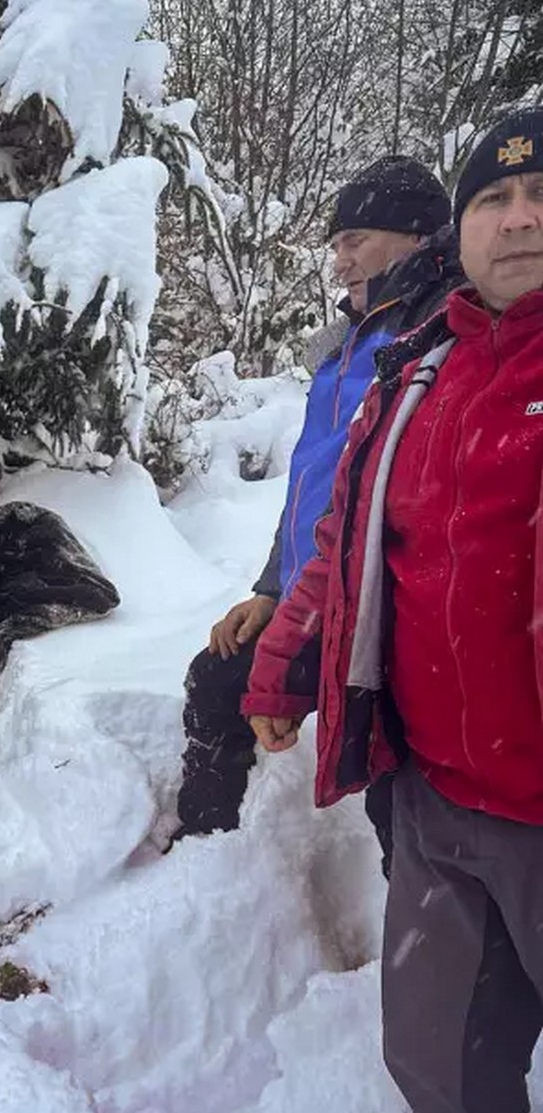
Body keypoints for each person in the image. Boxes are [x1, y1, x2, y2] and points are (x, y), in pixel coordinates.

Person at [243, 108, 543, 1113]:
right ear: (459, 233)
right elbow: (341, 540)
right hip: (433, 804)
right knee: (444, 1071)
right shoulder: (416, 368)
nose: (519, 219)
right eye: (494, 202)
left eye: (540, 200)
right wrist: (282, 665)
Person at [171, 155, 458, 868]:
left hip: (385, 613)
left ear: (418, 237)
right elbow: (312, 483)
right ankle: (206, 865)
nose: (339, 261)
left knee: (408, 796)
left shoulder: (441, 333)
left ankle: (421, 944)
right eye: (336, 244)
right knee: (216, 679)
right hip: (314, 593)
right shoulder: (345, 348)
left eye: (355, 238)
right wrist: (273, 590)